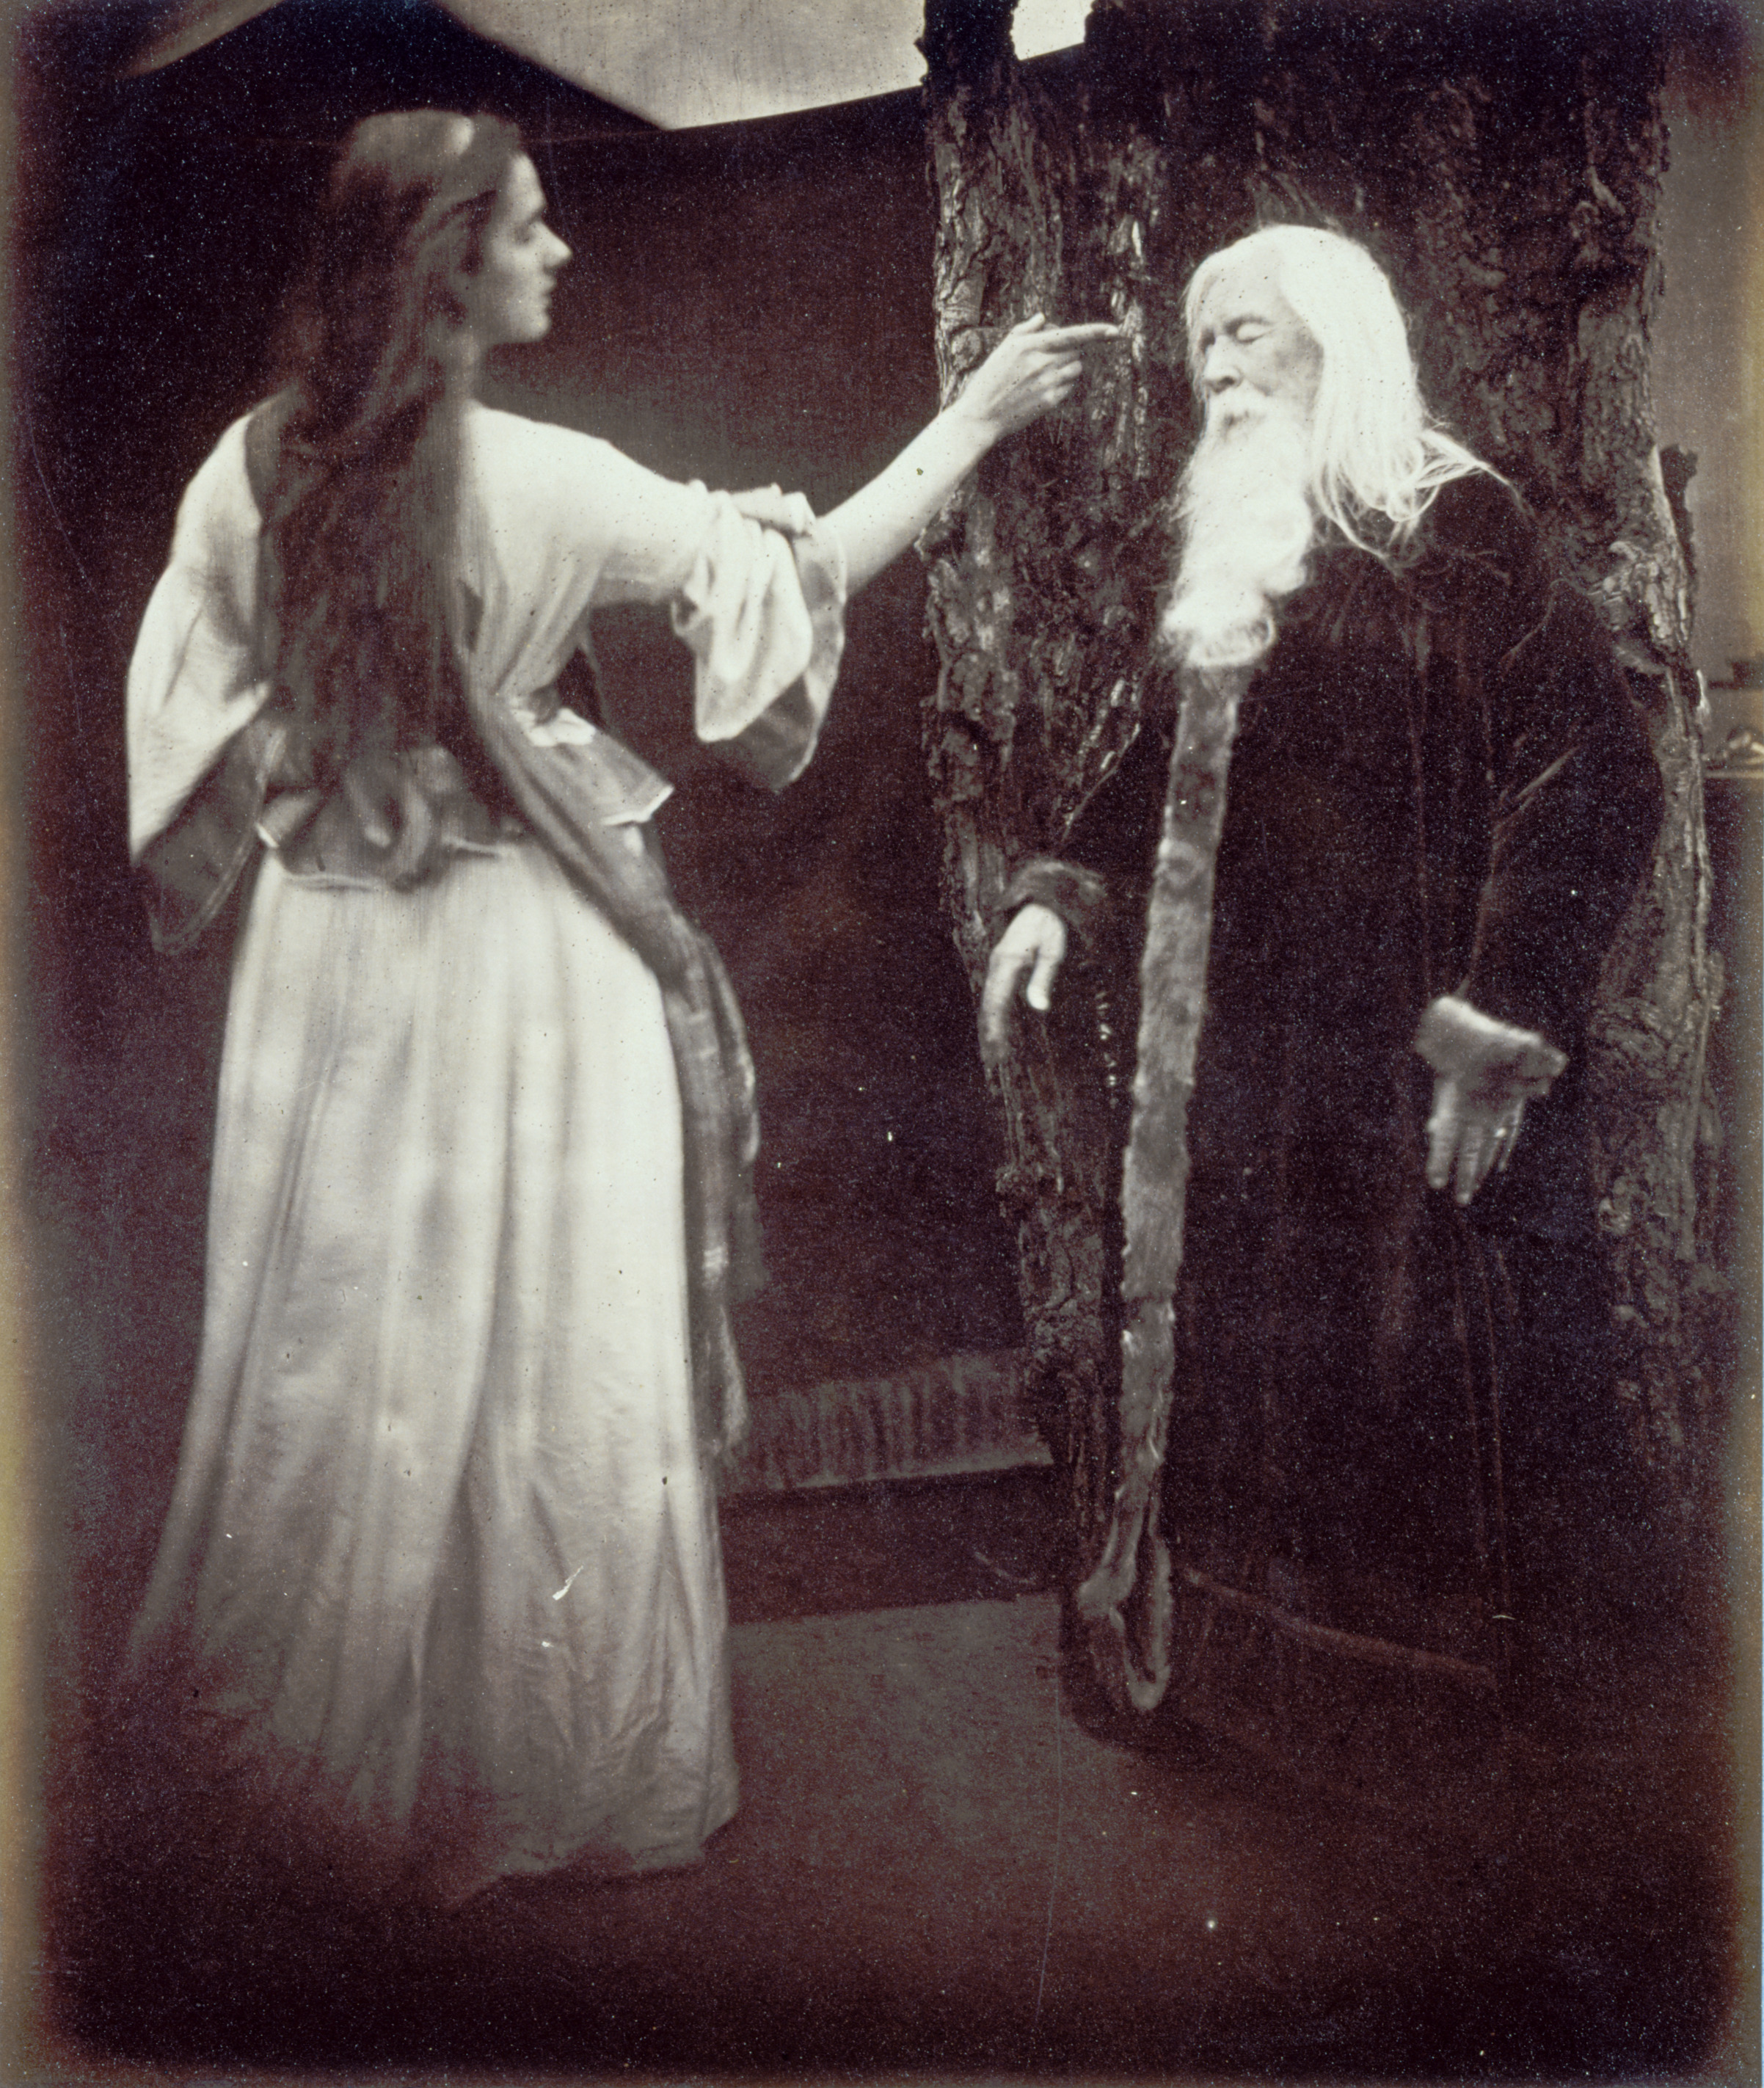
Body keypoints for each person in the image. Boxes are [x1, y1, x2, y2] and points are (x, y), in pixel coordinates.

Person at [121, 108, 1117, 1905]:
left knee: (348, 1319)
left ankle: (340, 1751)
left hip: (328, 943)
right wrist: (970, 421)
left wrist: (358, 750)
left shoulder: (242, 469)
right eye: (527, 228)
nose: (558, 250)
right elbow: (800, 576)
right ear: (448, 267)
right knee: (544, 1323)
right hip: (519, 950)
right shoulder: (553, 482)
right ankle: (544, 1758)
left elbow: (197, 721)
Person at [980, 225, 1661, 1712]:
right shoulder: (1240, 538)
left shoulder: (1453, 522)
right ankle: (1272, 1700)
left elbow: (1592, 775)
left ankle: (1445, 1737)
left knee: (1427, 1379)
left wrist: (1500, 1012)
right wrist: (1064, 896)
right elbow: (1163, 768)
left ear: (1335, 343)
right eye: (1203, 343)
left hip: (1416, 1048)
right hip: (1256, 1067)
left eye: (1250, 334)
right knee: (1267, 1380)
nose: (1218, 368)